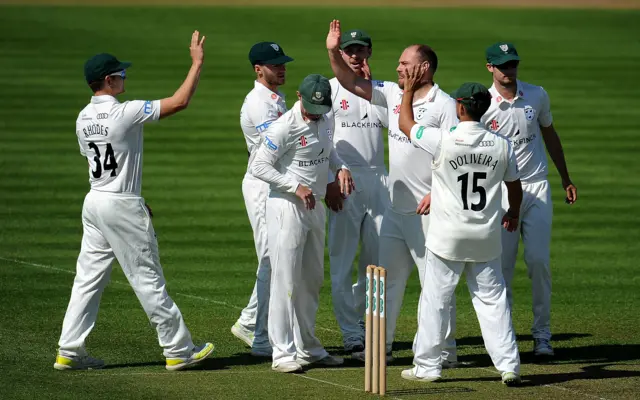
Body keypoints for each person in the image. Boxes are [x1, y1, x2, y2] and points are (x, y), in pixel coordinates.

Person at [54, 31, 214, 371]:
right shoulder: (124, 112)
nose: (126, 77)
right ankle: (178, 350)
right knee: (148, 277)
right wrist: (197, 63)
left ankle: (69, 350)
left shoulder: (83, 118)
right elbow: (179, 101)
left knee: (87, 279)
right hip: (121, 204)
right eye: (121, 74)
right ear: (108, 80)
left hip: (96, 201)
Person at [326, 19, 457, 364]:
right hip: (395, 209)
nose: (397, 67)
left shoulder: (445, 105)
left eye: (404, 63)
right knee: (383, 283)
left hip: (428, 210)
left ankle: (444, 350)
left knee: (435, 282)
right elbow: (349, 80)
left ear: (423, 68)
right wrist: (331, 49)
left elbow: (455, 155)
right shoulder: (392, 93)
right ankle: (377, 347)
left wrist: (438, 191)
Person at [397, 71, 523, 386]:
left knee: (435, 299)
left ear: (459, 107)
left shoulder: (445, 139)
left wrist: (409, 90)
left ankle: (428, 367)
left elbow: (405, 125)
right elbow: (515, 187)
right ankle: (509, 366)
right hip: (485, 235)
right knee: (493, 300)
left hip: (447, 236)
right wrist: (515, 212)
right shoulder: (502, 145)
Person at [250, 74, 355, 373]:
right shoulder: (284, 126)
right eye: (310, 108)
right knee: (285, 279)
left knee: (311, 279)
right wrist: (293, 186)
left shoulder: (325, 117)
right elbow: (259, 165)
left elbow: (327, 150)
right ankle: (281, 352)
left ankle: (307, 347)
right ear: (298, 97)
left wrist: (341, 168)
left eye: (320, 110)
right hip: (286, 207)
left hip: (315, 205)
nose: (315, 115)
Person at [481, 42, 578, 356]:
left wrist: (565, 177)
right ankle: (506, 339)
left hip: (536, 188)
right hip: (501, 195)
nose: (509, 71)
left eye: (512, 65)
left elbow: (549, 134)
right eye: (502, 66)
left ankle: (542, 336)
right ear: (490, 68)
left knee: (538, 262)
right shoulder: (483, 103)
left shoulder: (536, 94)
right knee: (503, 268)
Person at [325, 28, 390, 355]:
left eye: (360, 50)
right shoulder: (331, 89)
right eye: (349, 50)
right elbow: (322, 139)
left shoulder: (380, 90)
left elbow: (391, 125)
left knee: (376, 262)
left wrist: (370, 84)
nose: (355, 56)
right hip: (345, 181)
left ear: (369, 53)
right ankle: (351, 334)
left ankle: (369, 327)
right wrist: (331, 178)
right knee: (342, 262)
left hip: (379, 180)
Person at [232, 41, 293, 357]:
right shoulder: (258, 103)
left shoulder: (275, 98)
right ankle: (259, 336)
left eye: (282, 63)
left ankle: (249, 321)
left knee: (275, 257)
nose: (281, 68)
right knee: (271, 257)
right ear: (258, 69)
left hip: (273, 184)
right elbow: (279, 143)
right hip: (260, 185)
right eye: (275, 64)